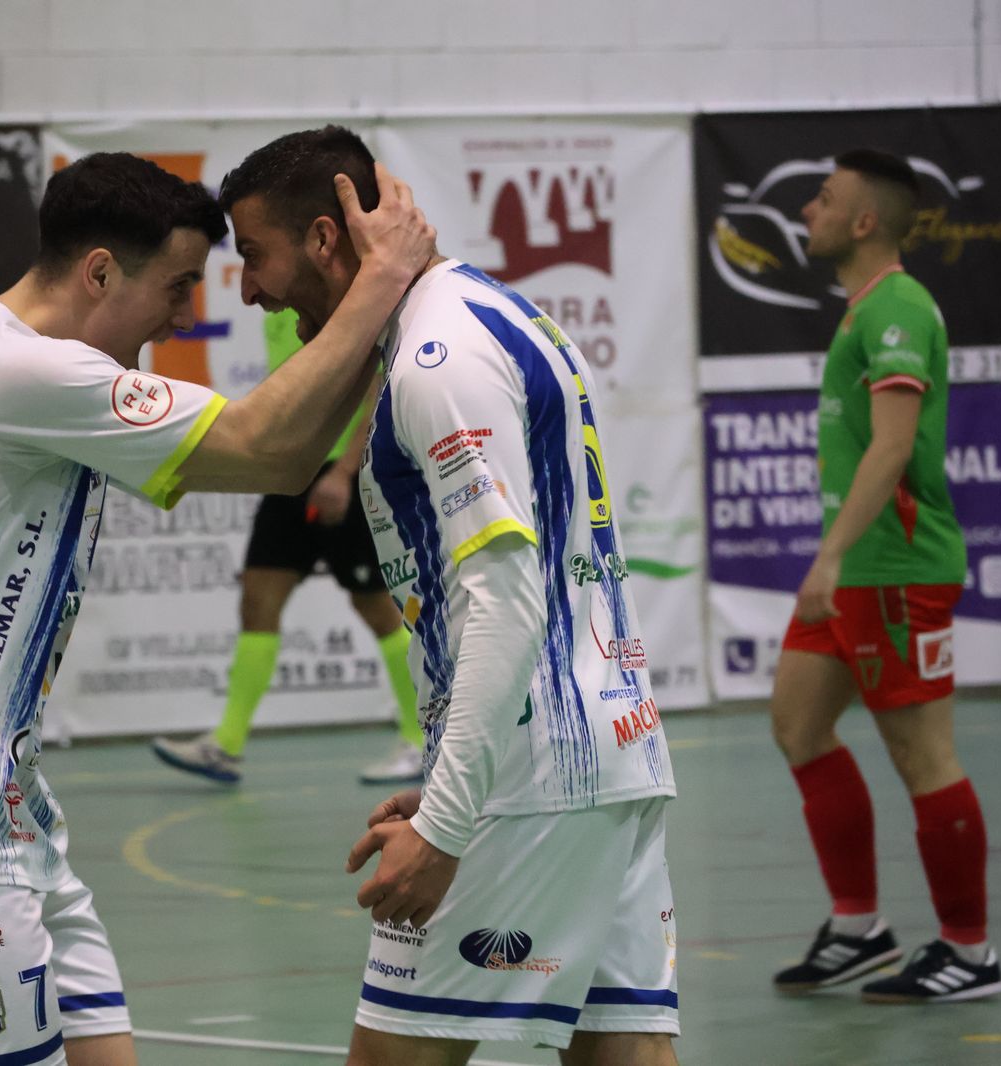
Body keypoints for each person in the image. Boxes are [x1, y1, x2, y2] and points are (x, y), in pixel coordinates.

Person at [0, 150, 435, 1066]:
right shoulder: (21, 372)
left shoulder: (12, 364)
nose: (185, 315)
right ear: (100, 270)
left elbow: (287, 455)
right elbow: (268, 449)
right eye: (179, 287)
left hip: (4, 809)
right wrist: (381, 281)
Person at [221, 125, 679, 1066]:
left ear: (323, 237)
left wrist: (446, 817)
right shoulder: (490, 312)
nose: (249, 289)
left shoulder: (438, 358)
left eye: (255, 256)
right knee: (623, 1055)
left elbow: (504, 598)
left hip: (531, 779)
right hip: (607, 756)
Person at [769, 148, 1001, 1003]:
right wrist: (833, 558)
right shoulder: (862, 309)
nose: (806, 212)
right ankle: (860, 929)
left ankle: (971, 953)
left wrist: (830, 555)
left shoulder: (897, 307)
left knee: (923, 755)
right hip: (853, 568)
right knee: (798, 723)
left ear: (864, 221)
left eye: (822, 200)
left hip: (895, 569)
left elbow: (895, 445)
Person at [150, 308, 424, 787]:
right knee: (259, 596)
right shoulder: (280, 308)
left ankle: (421, 741)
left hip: (345, 474)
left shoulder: (340, 299)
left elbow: (379, 382)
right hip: (291, 472)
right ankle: (226, 746)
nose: (250, 288)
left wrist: (344, 474)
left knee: (378, 608)